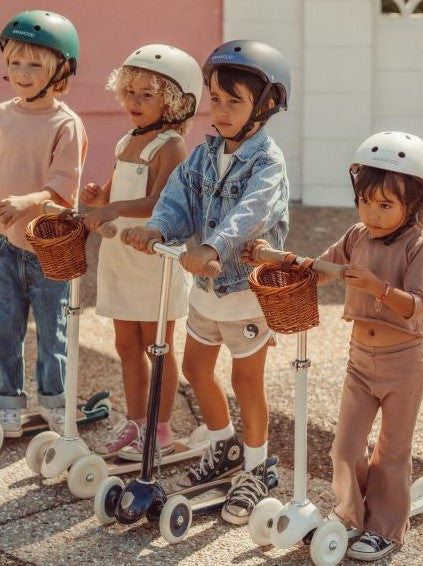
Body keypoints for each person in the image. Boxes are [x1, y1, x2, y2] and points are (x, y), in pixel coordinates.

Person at [122, 39, 290, 524]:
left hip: (244, 293)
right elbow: (177, 196)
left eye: (233, 102)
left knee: (246, 380)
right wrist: (158, 228)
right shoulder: (204, 152)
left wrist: (212, 247)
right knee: (196, 370)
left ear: (268, 104)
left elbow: (249, 213)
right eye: (215, 99)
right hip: (206, 291)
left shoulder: (267, 162)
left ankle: (258, 468)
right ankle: (224, 445)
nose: (219, 111)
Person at [318, 131, 423, 561]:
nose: (372, 212)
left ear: (416, 205)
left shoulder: (420, 246)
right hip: (359, 359)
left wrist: (377, 287)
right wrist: (279, 260)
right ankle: (351, 517)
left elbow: (418, 307)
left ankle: (386, 528)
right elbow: (323, 268)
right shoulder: (357, 236)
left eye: (385, 204)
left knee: (391, 450)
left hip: (403, 362)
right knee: (345, 448)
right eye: (366, 201)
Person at [79, 45, 203, 461]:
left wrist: (113, 208)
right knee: (126, 345)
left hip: (152, 258)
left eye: (146, 94)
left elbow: (159, 203)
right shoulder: (128, 141)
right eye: (129, 92)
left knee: (158, 347)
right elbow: (118, 191)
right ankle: (135, 420)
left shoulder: (171, 147)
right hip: (121, 254)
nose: (133, 101)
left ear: (174, 101)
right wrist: (102, 196)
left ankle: (161, 427)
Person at [0, 10, 87, 436]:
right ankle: (6, 405)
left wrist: (25, 201)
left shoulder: (65, 124)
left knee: (53, 336)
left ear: (61, 70)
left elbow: (62, 188)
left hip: (50, 247)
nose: (22, 72)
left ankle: (56, 405)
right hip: (4, 244)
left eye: (35, 63)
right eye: (15, 62)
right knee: (4, 328)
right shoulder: (3, 114)